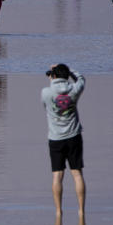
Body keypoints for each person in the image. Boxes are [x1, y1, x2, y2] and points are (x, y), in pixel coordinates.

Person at [41, 64, 86, 216]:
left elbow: (46, 105)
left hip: (55, 139)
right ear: (66, 76)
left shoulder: (46, 92)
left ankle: (59, 211)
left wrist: (52, 80)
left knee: (57, 175)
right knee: (77, 174)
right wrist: (70, 69)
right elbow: (80, 78)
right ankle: (81, 210)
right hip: (74, 136)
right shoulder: (74, 90)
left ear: (53, 76)